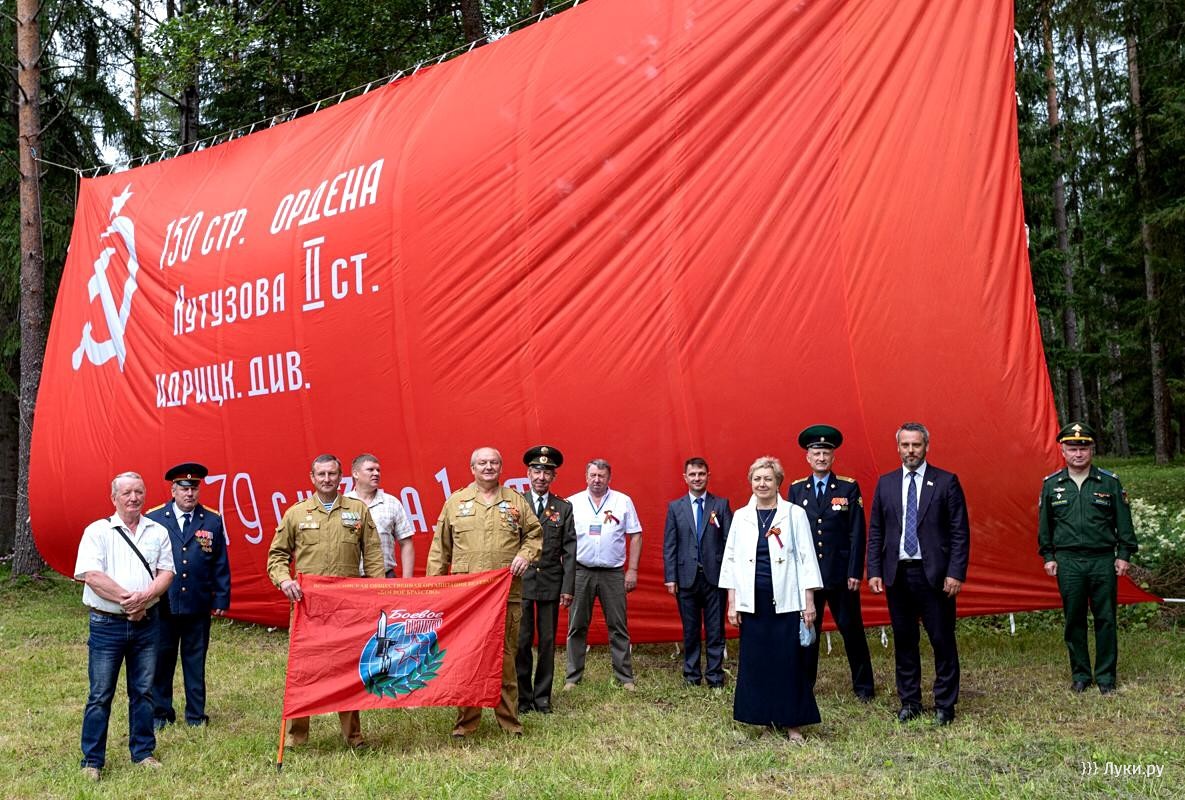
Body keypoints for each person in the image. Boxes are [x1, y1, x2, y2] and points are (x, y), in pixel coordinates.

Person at [266, 454, 384, 748]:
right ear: (312, 478)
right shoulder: (296, 513)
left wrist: (377, 594)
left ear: (341, 477)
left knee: (348, 668)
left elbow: (373, 555)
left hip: (347, 606)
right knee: (303, 670)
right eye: (321, 474)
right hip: (308, 606)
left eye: (332, 474)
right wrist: (284, 580)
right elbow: (277, 556)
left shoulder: (357, 510)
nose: (327, 479)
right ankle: (296, 737)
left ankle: (353, 736)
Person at [427, 447, 542, 736]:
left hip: (506, 595)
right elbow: (440, 549)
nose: (488, 467)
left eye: (493, 463)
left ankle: (510, 722)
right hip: (467, 599)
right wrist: (433, 591)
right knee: (467, 658)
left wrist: (525, 554)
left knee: (505, 658)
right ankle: (466, 723)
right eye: (482, 463)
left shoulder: (516, 501)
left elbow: (535, 534)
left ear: (501, 467)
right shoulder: (455, 502)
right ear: (472, 468)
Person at [867, 422, 970, 726]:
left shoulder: (946, 482)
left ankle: (945, 703)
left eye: (916, 445)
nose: (911, 451)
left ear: (926, 446)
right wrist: (874, 569)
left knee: (941, 639)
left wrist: (955, 573)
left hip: (934, 575)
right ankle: (910, 701)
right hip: (897, 574)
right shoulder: (886, 483)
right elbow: (876, 530)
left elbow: (959, 532)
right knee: (904, 640)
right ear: (898, 447)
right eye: (905, 445)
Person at [75, 472, 175, 780]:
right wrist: (130, 601)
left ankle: (143, 752)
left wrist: (144, 599)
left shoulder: (157, 531)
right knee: (100, 694)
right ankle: (93, 761)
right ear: (114, 497)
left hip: (147, 624)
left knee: (144, 691)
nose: (133, 498)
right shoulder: (97, 531)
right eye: (127, 492)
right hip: (107, 624)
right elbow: (91, 575)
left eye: (139, 492)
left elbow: (167, 572)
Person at [718, 456, 822, 741]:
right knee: (758, 663)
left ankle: (793, 724)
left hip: (787, 600)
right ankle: (766, 721)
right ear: (750, 482)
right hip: (753, 602)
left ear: (778, 483)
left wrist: (808, 602)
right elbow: (731, 560)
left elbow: (807, 558)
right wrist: (732, 603)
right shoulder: (741, 517)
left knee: (789, 662)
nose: (762, 484)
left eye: (768, 479)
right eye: (757, 479)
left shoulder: (794, 514)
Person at [1038, 422, 1138, 694]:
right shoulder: (1052, 485)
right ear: (1063, 451)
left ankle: (1106, 677)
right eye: (1072, 448)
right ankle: (1081, 674)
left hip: (1102, 560)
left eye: (1083, 448)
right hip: (1068, 561)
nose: (1078, 454)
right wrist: (1048, 555)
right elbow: (1045, 525)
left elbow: (1123, 522)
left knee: (1106, 618)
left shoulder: (1109, 482)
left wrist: (1124, 554)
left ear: (1092, 450)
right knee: (1074, 619)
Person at [787, 425, 875, 701]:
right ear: (808, 457)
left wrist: (855, 571)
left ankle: (864, 688)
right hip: (808, 577)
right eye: (816, 453)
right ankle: (804, 686)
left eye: (826, 453)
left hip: (840, 574)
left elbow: (857, 532)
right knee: (807, 633)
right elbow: (791, 535)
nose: (821, 458)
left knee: (852, 631)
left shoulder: (848, 487)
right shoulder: (796, 489)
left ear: (833, 457)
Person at [146, 462, 231, 729]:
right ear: (173, 490)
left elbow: (220, 562)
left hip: (197, 602)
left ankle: (195, 715)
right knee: (162, 660)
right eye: (184, 488)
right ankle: (161, 713)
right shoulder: (155, 518)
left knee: (195, 661)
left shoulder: (212, 520)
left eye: (194, 488)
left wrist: (221, 597)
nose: (189, 493)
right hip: (164, 604)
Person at [564, 459, 643, 691]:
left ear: (609, 478)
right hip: (581, 571)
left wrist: (632, 570)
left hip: (613, 573)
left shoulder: (623, 501)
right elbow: (563, 541)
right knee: (577, 625)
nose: (597, 480)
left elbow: (636, 535)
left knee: (618, 626)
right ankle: (572, 677)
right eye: (593, 475)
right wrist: (566, 573)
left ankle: (625, 677)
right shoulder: (572, 503)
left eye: (601, 476)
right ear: (586, 477)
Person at [662, 457, 733, 687]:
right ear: (685, 478)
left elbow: (729, 542)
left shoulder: (720, 505)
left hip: (715, 578)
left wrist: (729, 575)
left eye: (701, 474)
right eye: (692, 474)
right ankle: (691, 676)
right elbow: (670, 544)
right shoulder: (676, 507)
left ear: (708, 476)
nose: (697, 478)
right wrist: (670, 577)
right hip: (686, 579)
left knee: (715, 630)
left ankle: (715, 676)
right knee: (690, 630)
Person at [516, 445, 576, 714]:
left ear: (554, 476)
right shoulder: (517, 504)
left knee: (548, 642)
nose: (541, 477)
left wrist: (568, 588)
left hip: (551, 582)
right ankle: (523, 698)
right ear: (528, 474)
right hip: (522, 582)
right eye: (537, 471)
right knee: (522, 641)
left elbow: (570, 551)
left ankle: (542, 698)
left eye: (547, 472)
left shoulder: (563, 507)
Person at [346, 453, 416, 578]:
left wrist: (407, 582)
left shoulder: (392, 503)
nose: (376, 473)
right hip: (351, 580)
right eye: (370, 470)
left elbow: (406, 543)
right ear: (355, 474)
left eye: (378, 470)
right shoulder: (343, 503)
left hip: (385, 578)